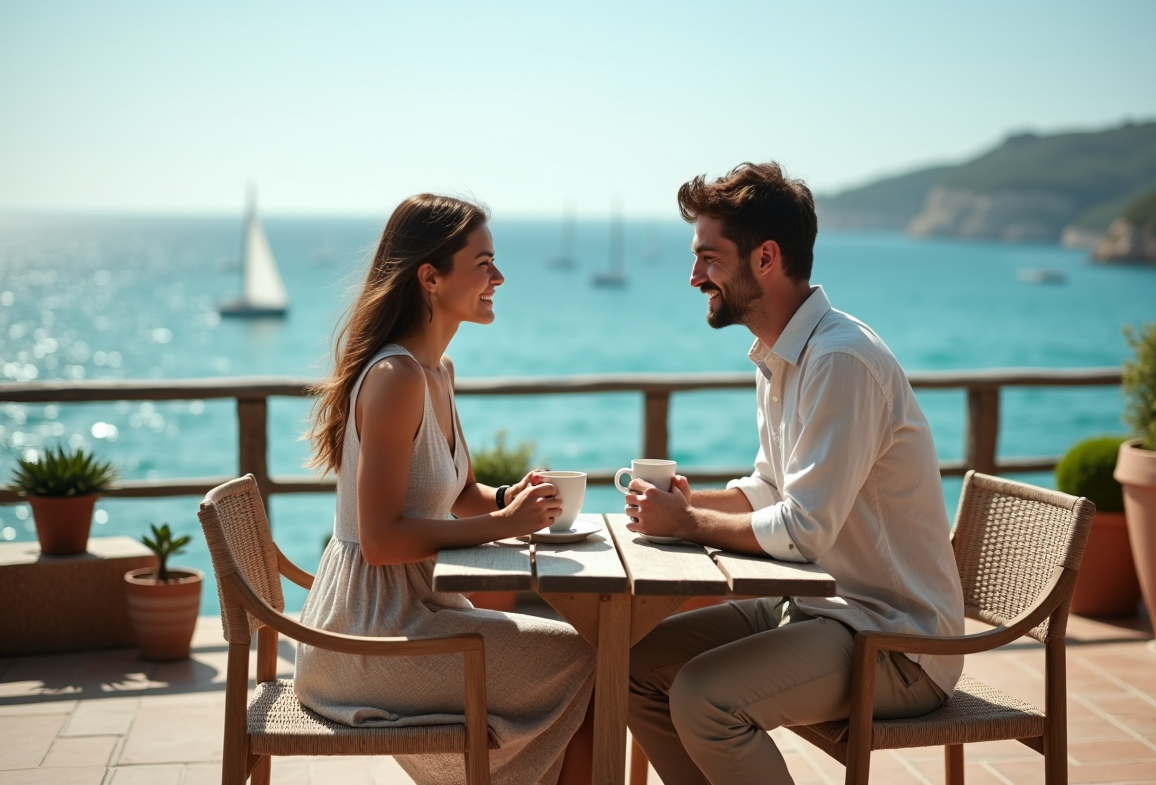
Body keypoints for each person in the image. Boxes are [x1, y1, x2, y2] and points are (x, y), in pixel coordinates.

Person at [624, 162, 965, 784]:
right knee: (634, 667)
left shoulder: (840, 360)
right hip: (819, 608)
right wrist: (684, 503)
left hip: (896, 638)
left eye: (708, 257)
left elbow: (803, 530)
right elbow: (769, 491)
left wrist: (687, 524)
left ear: (766, 259)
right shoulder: (780, 355)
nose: (695, 275)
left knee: (705, 696)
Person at [295, 194, 595, 785]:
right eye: (484, 263)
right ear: (430, 277)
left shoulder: (437, 371)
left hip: (416, 610)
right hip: (366, 635)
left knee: (581, 662)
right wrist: (507, 526)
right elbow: (380, 541)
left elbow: (461, 496)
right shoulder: (395, 377)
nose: (499, 277)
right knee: (581, 661)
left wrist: (513, 499)